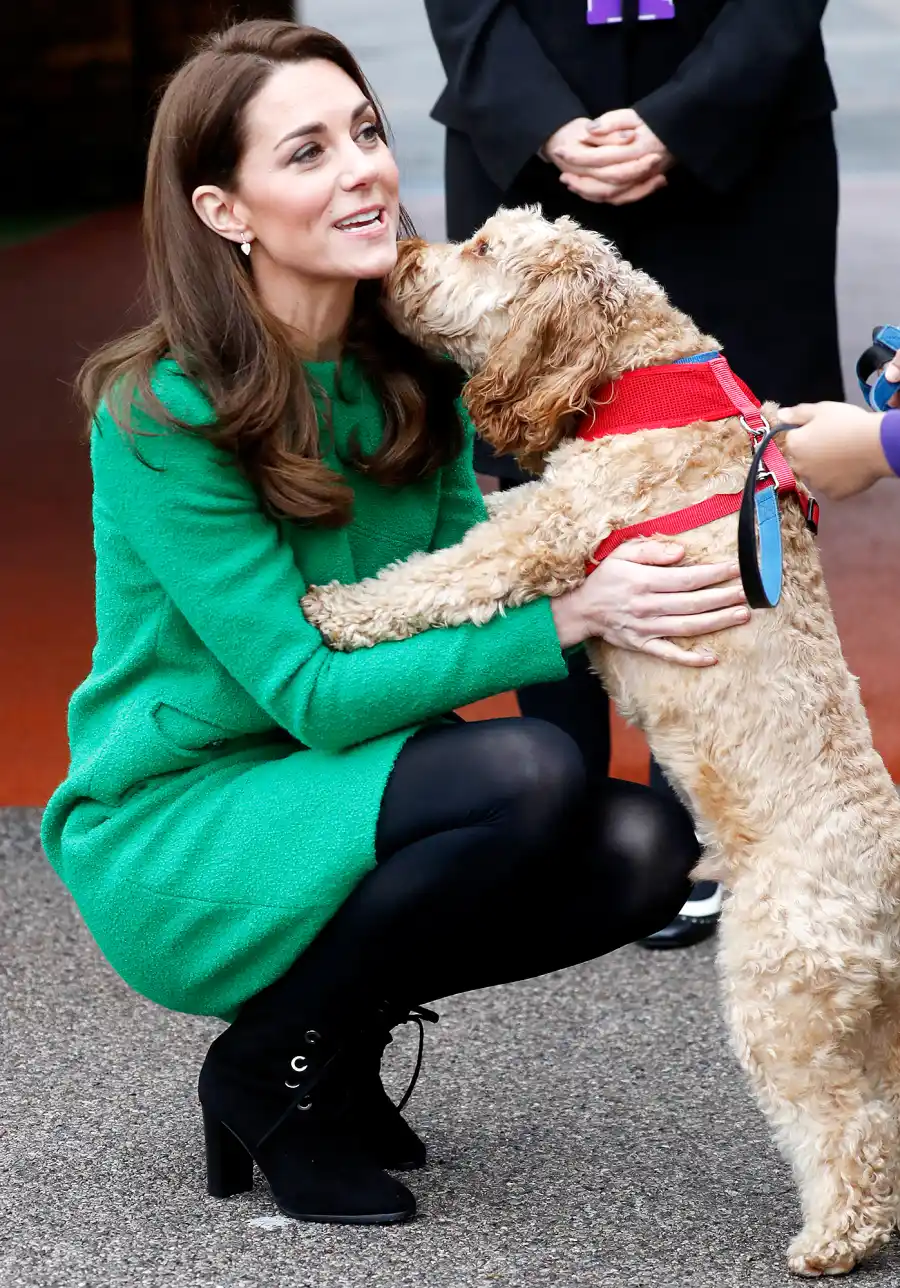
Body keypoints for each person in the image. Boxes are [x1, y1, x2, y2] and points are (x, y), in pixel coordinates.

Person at [40, 19, 751, 1227]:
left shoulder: (410, 367)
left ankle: (330, 1036)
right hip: (182, 820)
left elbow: (489, 571)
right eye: (307, 152)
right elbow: (311, 695)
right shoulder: (160, 412)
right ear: (228, 211)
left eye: (365, 131)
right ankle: (270, 1069)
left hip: (345, 791)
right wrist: (574, 614)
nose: (363, 167)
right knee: (524, 771)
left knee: (635, 841)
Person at [424, 0, 844, 948]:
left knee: (742, 464)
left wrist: (686, 117)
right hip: (531, 138)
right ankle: (557, 805)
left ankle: (706, 810)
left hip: (741, 139)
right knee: (540, 464)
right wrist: (541, 119)